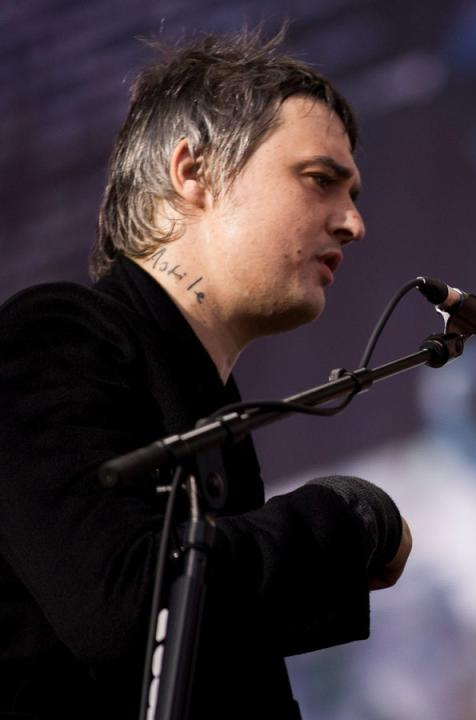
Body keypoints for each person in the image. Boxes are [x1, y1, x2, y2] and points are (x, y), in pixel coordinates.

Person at [0, 30, 411, 719]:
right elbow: (127, 608)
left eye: (354, 193)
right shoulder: (55, 335)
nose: (353, 223)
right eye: (319, 180)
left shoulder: (208, 409)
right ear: (192, 171)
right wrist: (346, 515)